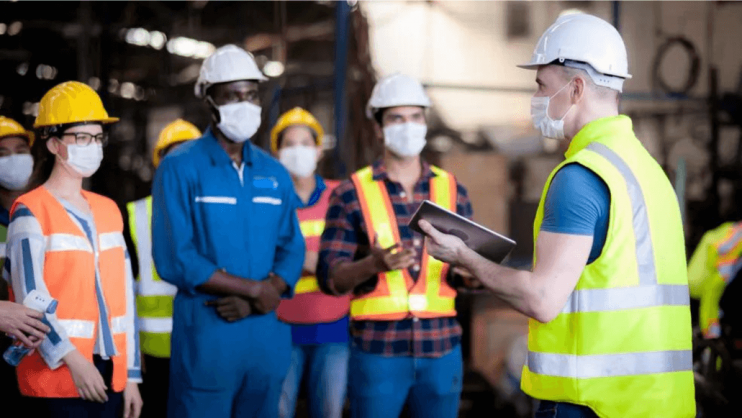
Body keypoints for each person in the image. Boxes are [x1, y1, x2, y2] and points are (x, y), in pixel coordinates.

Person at [418, 13, 695, 418]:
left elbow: (542, 299)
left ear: (576, 87)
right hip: (660, 403)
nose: (536, 99)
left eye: (541, 86)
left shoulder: (581, 177)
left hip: (591, 406)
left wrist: (465, 257)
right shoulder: (649, 172)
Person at [151, 44, 305, 418]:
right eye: (233, 95)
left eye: (251, 94)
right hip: (208, 331)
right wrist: (255, 290)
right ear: (209, 100)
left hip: (265, 334)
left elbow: (292, 246)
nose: (245, 103)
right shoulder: (180, 168)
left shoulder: (273, 172)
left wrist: (270, 292)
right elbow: (177, 258)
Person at [317, 73, 478, 418]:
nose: (408, 126)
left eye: (415, 117)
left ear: (425, 121)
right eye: (396, 118)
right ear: (378, 127)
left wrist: (473, 274)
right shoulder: (350, 193)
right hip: (377, 352)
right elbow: (329, 279)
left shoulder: (453, 190)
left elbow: (463, 271)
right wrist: (371, 266)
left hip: (441, 349)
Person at [6, 81, 142, 417]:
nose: (93, 146)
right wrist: (76, 362)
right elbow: (30, 302)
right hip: (55, 378)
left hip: (110, 374)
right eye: (81, 138)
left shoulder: (109, 209)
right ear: (53, 143)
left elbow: (125, 297)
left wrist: (133, 376)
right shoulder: (30, 210)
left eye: (97, 138)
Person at [272, 108, 350, 418]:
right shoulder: (269, 198)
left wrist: (295, 257)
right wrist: (320, 262)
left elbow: (350, 258)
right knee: (277, 412)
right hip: (281, 326)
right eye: (289, 144)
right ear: (277, 153)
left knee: (329, 412)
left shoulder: (341, 195)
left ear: (319, 150)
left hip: (333, 327)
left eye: (305, 142)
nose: (297, 150)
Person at [125, 119, 201, 418]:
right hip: (153, 353)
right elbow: (123, 292)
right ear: (160, 165)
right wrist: (132, 354)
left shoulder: (218, 208)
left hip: (205, 345)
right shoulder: (136, 214)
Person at [0, 116, 51, 406]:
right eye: (2, 154)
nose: (14, 160)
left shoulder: (47, 212)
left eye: (20, 150)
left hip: (40, 350)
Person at [687, 222, 742, 339]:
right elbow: (715, 247)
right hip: (710, 278)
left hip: (709, 277)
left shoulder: (733, 230)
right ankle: (711, 338)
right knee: (710, 309)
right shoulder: (737, 234)